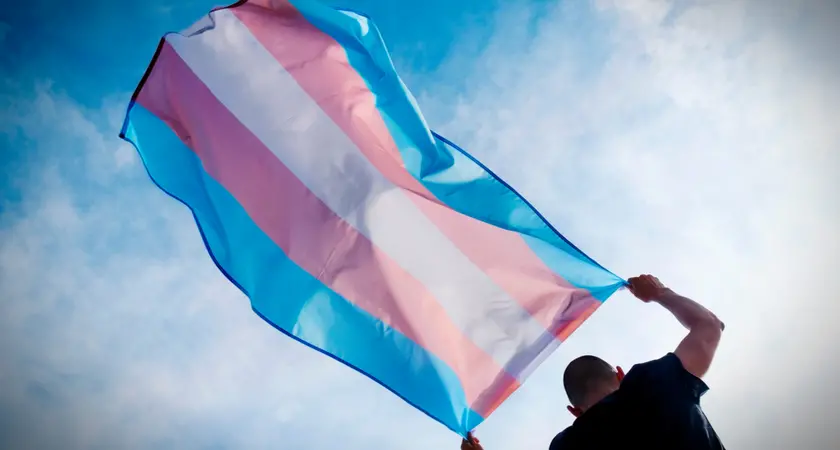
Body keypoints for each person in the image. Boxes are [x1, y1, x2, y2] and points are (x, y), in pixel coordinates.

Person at [460, 274, 725, 450]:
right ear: (621, 375)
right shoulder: (656, 381)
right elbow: (710, 326)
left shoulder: (566, 446)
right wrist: (660, 293)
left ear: (575, 411)